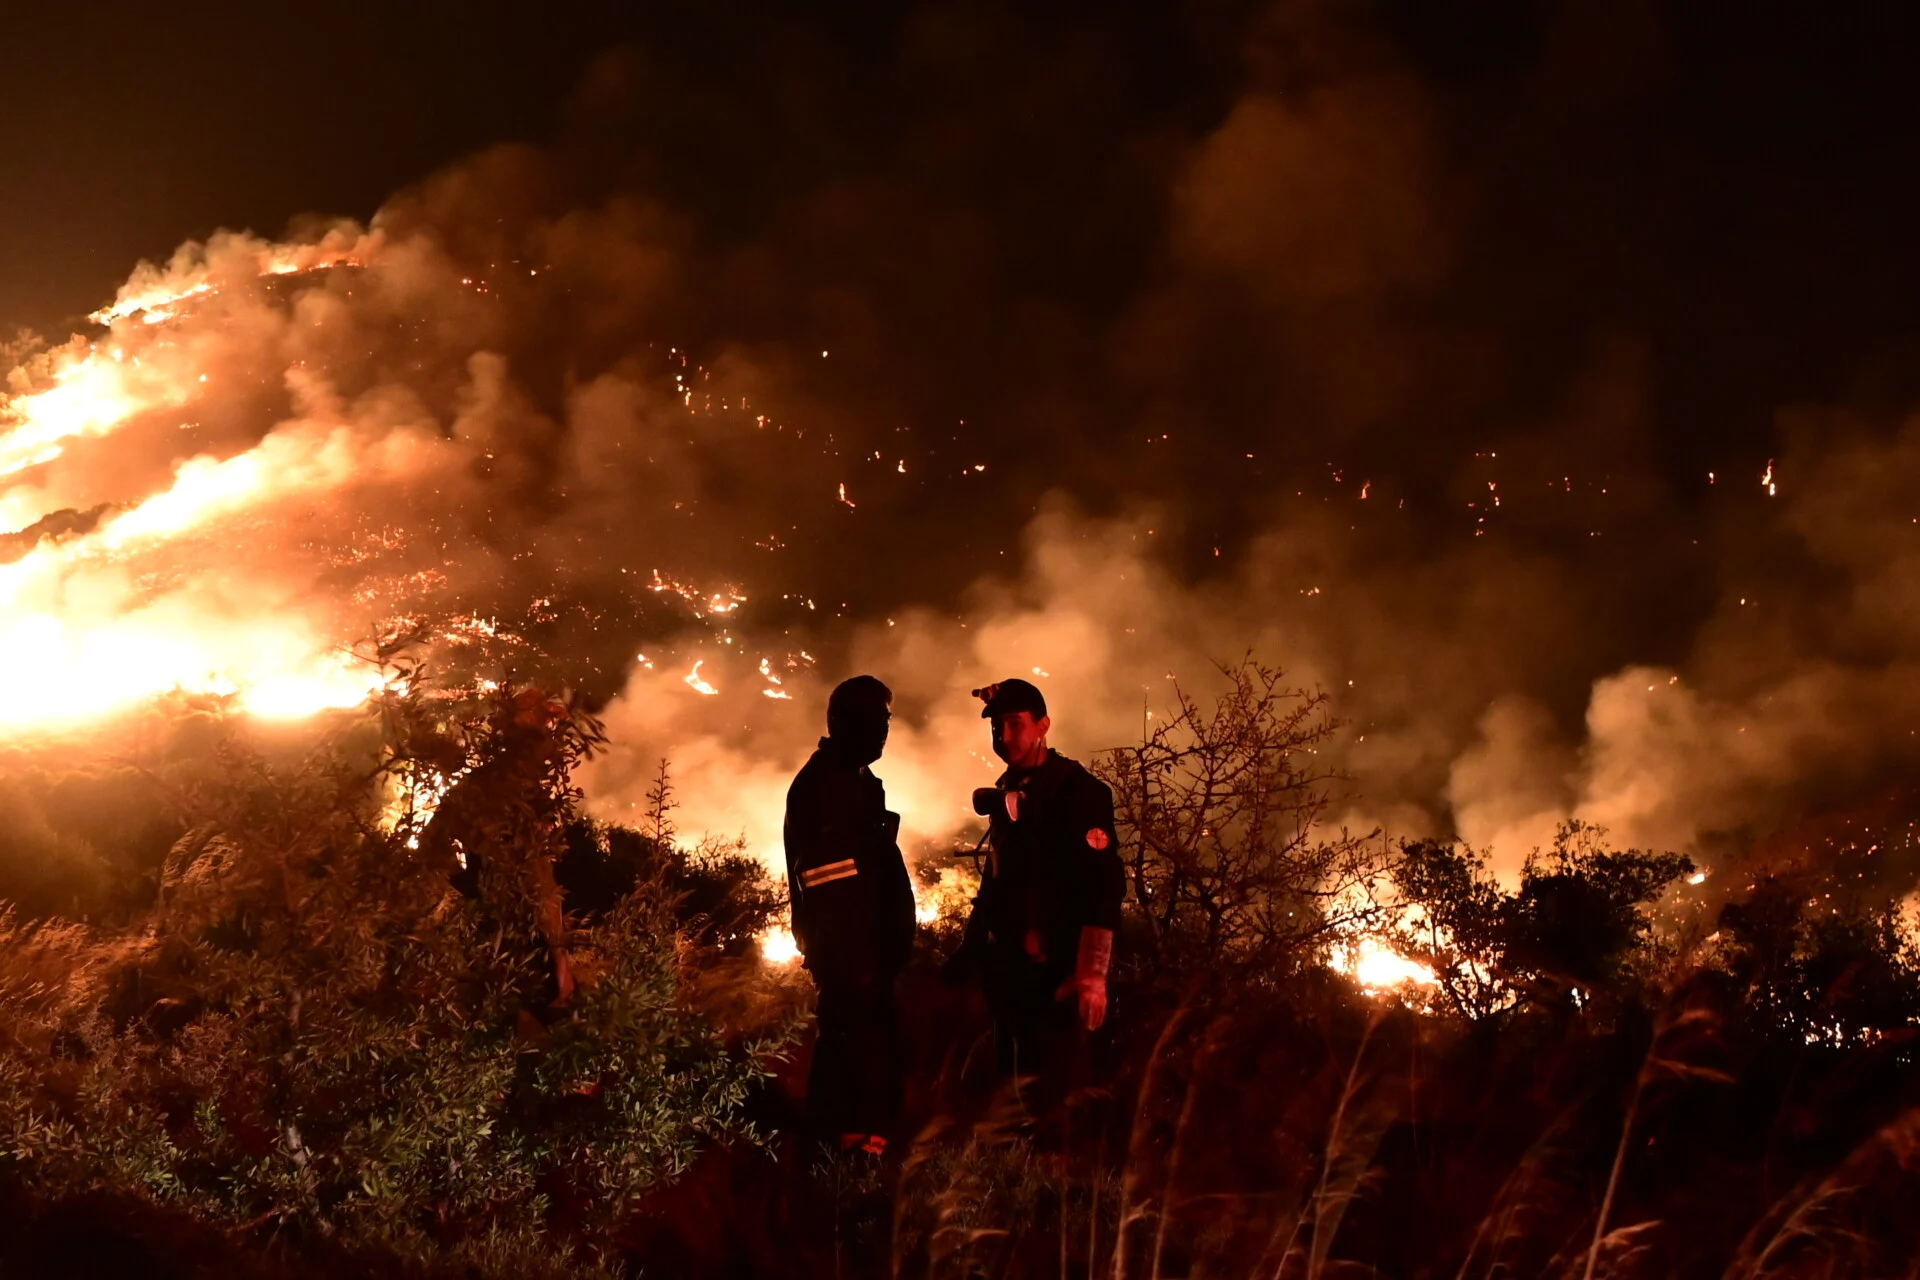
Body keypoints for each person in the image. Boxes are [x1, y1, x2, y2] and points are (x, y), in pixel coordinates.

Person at [945, 678, 1125, 1106]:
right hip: (1010, 976)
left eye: (1014, 724)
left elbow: (1103, 886)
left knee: (1054, 1099)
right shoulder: (1014, 790)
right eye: (996, 728)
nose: (1003, 737)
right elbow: (998, 877)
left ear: (1043, 726)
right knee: (1011, 1099)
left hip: (1057, 977)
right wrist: (971, 948)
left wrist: (1092, 976)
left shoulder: (1078, 793)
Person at [783, 675, 917, 1156]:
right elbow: (830, 883)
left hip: (870, 959)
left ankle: (861, 1156)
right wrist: (856, 963)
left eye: (885, 720)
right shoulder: (824, 786)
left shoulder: (855, 781)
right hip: (851, 960)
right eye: (872, 719)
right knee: (850, 1059)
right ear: (841, 723)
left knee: (869, 1060)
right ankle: (840, 1168)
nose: (882, 731)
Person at [421, 687, 579, 1008]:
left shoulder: (528, 795)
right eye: (542, 733)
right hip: (513, 936)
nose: (549, 745)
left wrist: (468, 886)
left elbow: (432, 842)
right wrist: (472, 886)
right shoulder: (489, 791)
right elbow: (433, 843)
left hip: (520, 934)